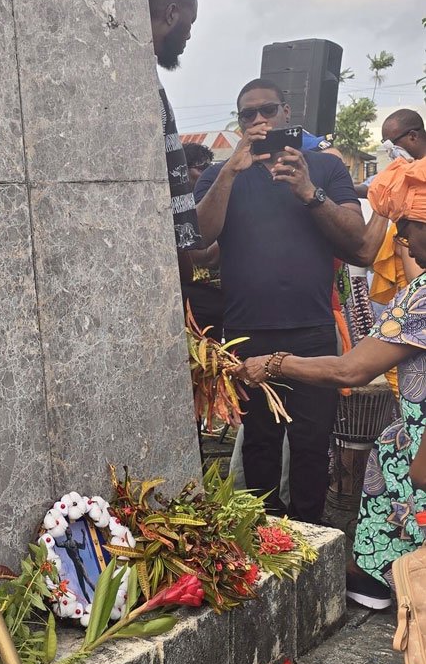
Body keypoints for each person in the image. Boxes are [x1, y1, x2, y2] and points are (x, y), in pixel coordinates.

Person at [239, 155, 426, 609]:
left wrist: (274, 363)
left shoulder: (422, 297)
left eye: (406, 227)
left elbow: (350, 370)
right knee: (391, 447)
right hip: (407, 440)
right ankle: (382, 575)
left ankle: (386, 576)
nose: (399, 239)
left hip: (419, 449)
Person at [193, 78, 365, 523]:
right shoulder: (220, 173)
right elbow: (201, 238)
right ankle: (267, 539)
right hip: (246, 333)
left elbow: (358, 243)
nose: (258, 121)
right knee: (259, 446)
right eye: (247, 115)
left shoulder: (324, 168)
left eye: (267, 110)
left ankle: (310, 536)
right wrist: (230, 171)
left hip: (311, 330)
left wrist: (308, 191)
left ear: (287, 113)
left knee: (312, 445)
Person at [146, 0, 202, 253]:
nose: (190, 34)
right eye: (190, 22)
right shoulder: (136, 82)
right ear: (171, 14)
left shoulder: (146, 74)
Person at [181, 143, 223, 340]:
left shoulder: (215, 200)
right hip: (195, 297)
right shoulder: (179, 207)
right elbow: (202, 254)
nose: (207, 174)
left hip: (220, 296)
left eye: (210, 167)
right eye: (200, 168)